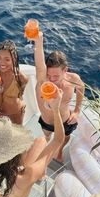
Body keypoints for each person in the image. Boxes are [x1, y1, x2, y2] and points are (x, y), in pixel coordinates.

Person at [33, 31, 85, 161]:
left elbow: (81, 88)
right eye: (49, 75)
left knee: (64, 138)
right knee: (46, 138)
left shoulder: (73, 79)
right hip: (47, 121)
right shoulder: (43, 81)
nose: (51, 79)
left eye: (56, 76)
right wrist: (38, 42)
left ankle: (60, 150)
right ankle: (44, 154)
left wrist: (77, 110)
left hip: (65, 121)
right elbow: (40, 67)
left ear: (65, 70)